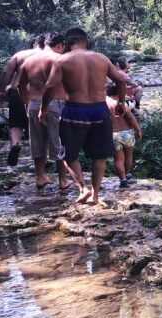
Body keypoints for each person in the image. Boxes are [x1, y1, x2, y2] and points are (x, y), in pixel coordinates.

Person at [40, 28, 130, 205]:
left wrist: (43, 109)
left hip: (75, 110)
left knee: (68, 155)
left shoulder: (62, 60)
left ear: (66, 44)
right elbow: (120, 81)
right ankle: (96, 195)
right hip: (99, 109)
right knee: (100, 156)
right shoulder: (102, 58)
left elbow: (50, 86)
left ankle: (83, 189)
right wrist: (120, 103)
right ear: (86, 41)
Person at [16, 33, 71, 190]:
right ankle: (62, 180)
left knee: (37, 141)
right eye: (63, 47)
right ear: (60, 45)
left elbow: (20, 85)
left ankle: (40, 177)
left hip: (33, 103)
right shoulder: (58, 60)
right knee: (60, 142)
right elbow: (54, 86)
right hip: (55, 104)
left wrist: (27, 103)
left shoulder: (29, 61)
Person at [0, 35, 44, 166]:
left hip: (17, 91)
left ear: (34, 43)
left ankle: (15, 144)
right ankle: (43, 155)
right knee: (39, 125)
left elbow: (6, 72)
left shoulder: (21, 54)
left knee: (16, 123)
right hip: (40, 94)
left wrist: (0, 91)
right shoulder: (50, 56)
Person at [106, 83, 141, 187]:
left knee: (118, 159)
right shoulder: (121, 104)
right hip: (126, 132)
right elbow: (130, 118)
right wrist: (138, 130)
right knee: (128, 156)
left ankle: (122, 179)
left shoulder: (105, 103)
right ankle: (126, 174)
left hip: (113, 133)